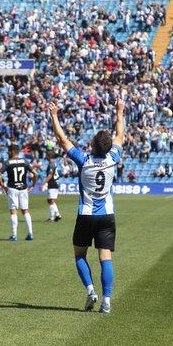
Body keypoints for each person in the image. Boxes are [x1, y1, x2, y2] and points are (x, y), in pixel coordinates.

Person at [48, 98, 125, 314]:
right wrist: (120, 110)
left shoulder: (84, 160)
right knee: (105, 258)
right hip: (107, 216)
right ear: (108, 147)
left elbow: (62, 140)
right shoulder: (113, 158)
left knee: (80, 255)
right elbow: (120, 134)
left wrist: (54, 116)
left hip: (86, 214)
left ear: (92, 145)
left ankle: (91, 290)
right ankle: (107, 299)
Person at [0, 145, 38, 242]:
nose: (8, 152)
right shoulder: (24, 161)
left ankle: (14, 235)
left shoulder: (7, 162)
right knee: (25, 211)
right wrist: (32, 185)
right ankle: (30, 234)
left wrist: (3, 186)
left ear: (12, 151)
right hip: (23, 188)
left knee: (13, 211)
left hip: (12, 188)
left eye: (9, 151)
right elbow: (35, 174)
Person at [41, 154, 62, 222]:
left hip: (53, 183)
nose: (46, 157)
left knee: (51, 201)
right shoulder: (53, 164)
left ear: (49, 157)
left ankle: (55, 216)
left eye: (47, 156)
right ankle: (54, 216)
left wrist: (44, 183)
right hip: (54, 183)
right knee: (50, 200)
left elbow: (50, 175)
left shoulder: (51, 164)